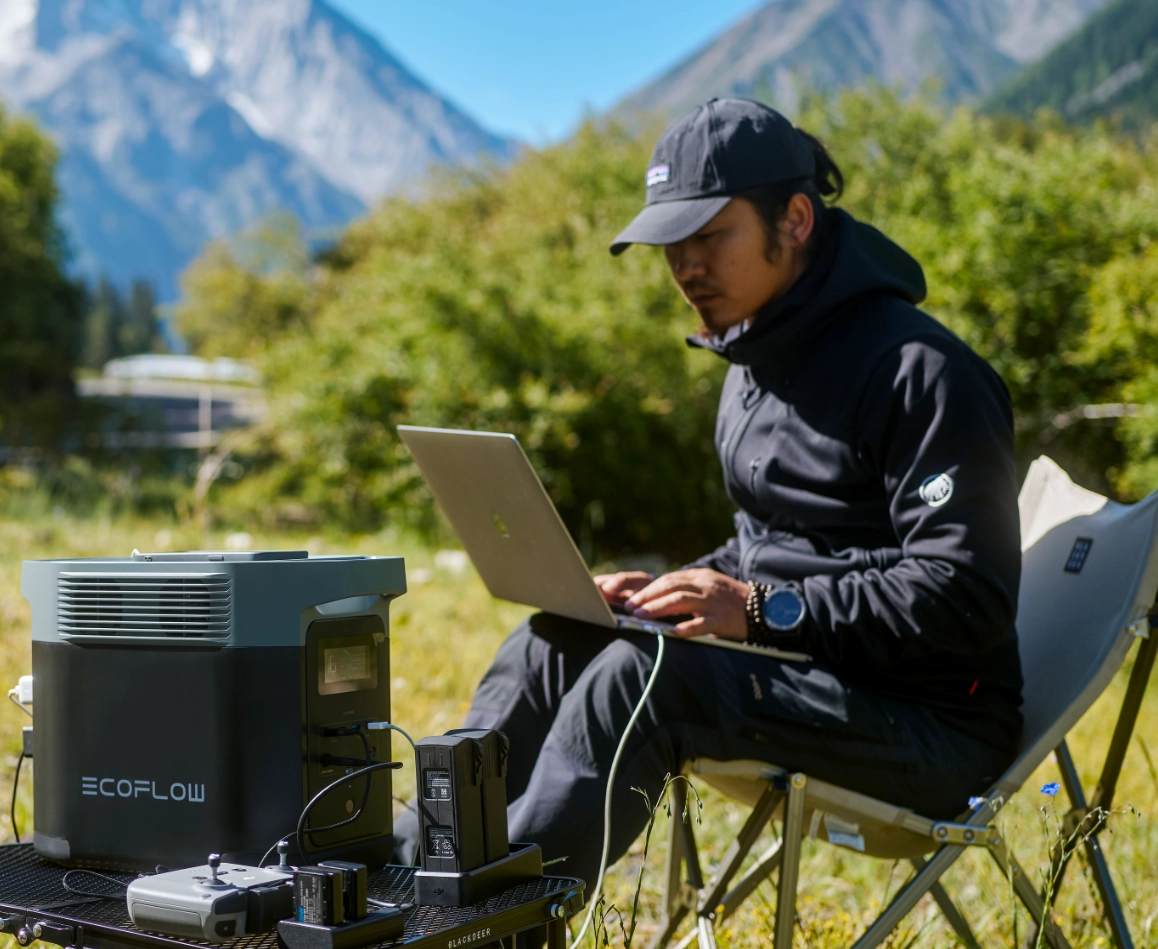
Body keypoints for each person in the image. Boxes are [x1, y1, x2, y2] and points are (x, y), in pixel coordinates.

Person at [394, 97, 1023, 887]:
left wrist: (757, 610)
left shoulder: (922, 373)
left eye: (708, 236)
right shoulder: (756, 363)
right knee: (552, 643)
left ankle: (477, 939)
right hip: (816, 685)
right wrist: (658, 595)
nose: (686, 266)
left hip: (931, 725)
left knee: (642, 677)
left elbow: (966, 596)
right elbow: (766, 546)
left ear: (794, 220)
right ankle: (391, 876)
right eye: (670, 245)